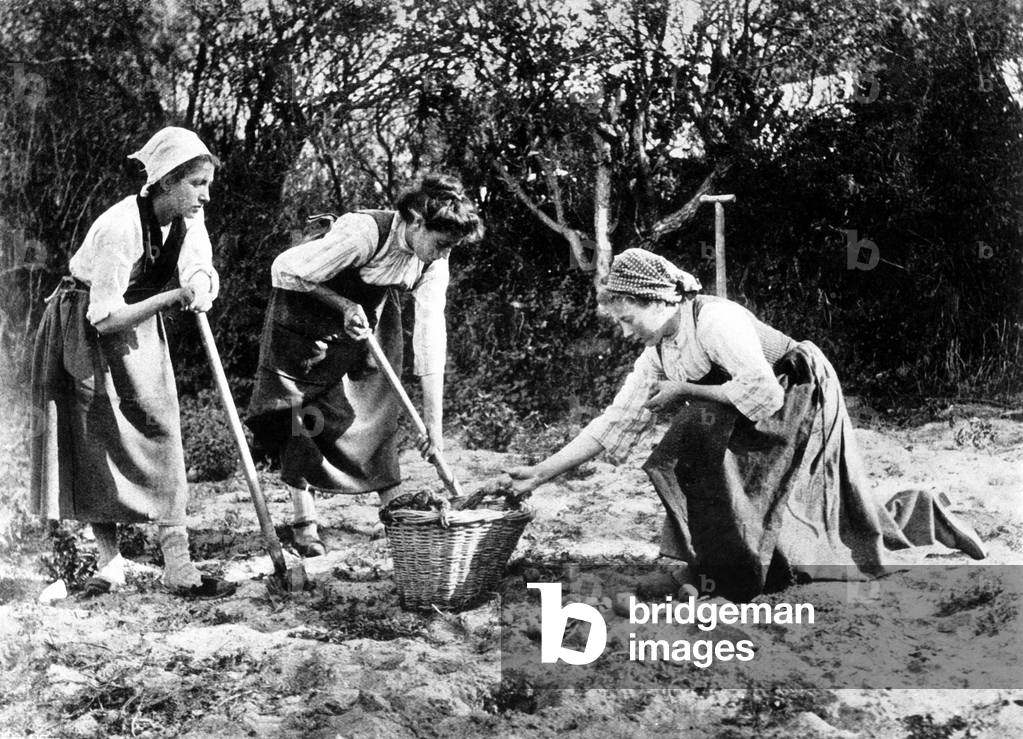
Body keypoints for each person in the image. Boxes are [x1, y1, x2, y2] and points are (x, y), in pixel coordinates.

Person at [507, 248, 986, 601]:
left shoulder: (716, 321)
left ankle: (916, 515)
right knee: (693, 452)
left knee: (771, 492)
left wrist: (691, 391)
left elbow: (765, 393)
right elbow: (614, 423)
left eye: (629, 319)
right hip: (746, 402)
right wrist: (540, 473)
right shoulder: (658, 352)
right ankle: (709, 566)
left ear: (658, 301)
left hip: (797, 389)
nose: (626, 331)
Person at [30, 126, 236, 598]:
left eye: (207, 183)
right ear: (166, 181)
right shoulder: (120, 227)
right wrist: (170, 297)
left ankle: (178, 565)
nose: (205, 195)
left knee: (161, 429)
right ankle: (109, 563)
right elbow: (103, 316)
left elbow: (198, 264)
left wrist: (201, 286)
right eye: (196, 183)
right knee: (95, 437)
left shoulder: (189, 218)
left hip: (138, 325)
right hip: (82, 325)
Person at [246, 174, 484, 556]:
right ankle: (303, 520)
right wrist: (341, 306)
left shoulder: (432, 263)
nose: (443, 255)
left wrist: (434, 428)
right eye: (440, 244)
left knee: (377, 408)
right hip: (307, 315)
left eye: (450, 248)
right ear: (416, 221)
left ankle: (394, 510)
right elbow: (285, 270)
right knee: (304, 415)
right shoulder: (362, 234)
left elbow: (430, 337)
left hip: (368, 321)